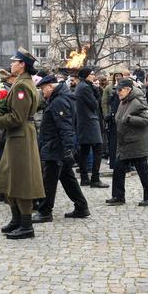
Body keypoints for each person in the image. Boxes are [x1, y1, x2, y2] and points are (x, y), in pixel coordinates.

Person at [0, 47, 45, 240]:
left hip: (21, 136)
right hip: (17, 137)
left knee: (22, 180)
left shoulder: (22, 86)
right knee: (9, 177)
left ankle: (26, 225)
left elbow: (17, 118)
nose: (11, 63)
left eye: (15, 61)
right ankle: (17, 219)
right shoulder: (21, 82)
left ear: (22, 65)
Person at [32, 75, 90, 222]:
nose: (42, 92)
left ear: (51, 87)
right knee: (67, 178)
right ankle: (81, 207)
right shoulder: (59, 98)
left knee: (49, 180)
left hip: (56, 147)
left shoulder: (59, 101)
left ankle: (45, 211)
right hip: (57, 146)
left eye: (43, 89)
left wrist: (68, 149)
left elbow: (65, 127)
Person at [105, 78, 148, 207]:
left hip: (136, 142)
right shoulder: (124, 101)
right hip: (125, 142)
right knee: (118, 169)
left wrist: (129, 119)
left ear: (128, 89)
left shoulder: (137, 101)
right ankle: (118, 196)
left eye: (120, 90)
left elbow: (147, 119)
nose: (118, 92)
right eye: (117, 90)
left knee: (143, 171)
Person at [74, 66, 108, 188]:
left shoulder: (81, 86)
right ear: (86, 75)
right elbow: (94, 104)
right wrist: (97, 91)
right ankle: (95, 178)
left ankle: (84, 178)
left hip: (84, 122)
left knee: (84, 151)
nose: (94, 76)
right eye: (92, 74)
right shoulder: (85, 88)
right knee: (98, 149)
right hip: (90, 122)